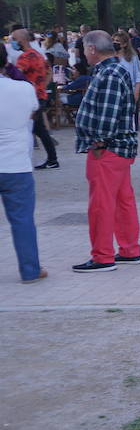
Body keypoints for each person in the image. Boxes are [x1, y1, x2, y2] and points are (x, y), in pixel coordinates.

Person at [72, 31, 140, 273]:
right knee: (123, 200)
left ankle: (102, 256)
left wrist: (99, 142)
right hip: (118, 148)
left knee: (101, 204)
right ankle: (129, 250)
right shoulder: (113, 69)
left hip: (108, 149)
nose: (80, 53)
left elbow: (107, 114)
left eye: (82, 48)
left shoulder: (110, 72)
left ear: (92, 49)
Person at [1, 64, 45, 283]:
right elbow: (31, 112)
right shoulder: (24, 88)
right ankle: (30, 269)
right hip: (16, 163)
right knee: (23, 220)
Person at [10, 29, 59, 170]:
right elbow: (49, 71)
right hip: (40, 95)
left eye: (13, 38)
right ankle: (52, 159)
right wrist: (42, 85)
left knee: (28, 129)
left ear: (22, 40)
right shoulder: (38, 54)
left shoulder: (24, 57)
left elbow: (15, 76)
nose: (11, 41)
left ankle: (47, 159)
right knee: (40, 130)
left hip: (30, 99)